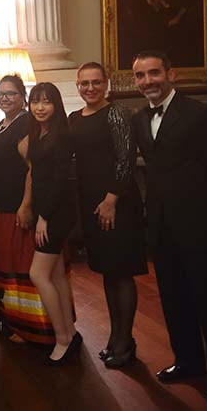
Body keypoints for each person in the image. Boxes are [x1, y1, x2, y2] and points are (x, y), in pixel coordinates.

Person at [131, 51, 207, 404]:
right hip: (162, 228)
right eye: (141, 76)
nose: (148, 81)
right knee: (174, 300)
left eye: (154, 73)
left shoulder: (201, 115)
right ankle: (189, 361)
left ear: (171, 73)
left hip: (201, 228)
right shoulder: (138, 119)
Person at [69, 63, 147, 368]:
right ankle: (116, 337)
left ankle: (126, 341)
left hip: (117, 203)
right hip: (91, 204)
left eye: (96, 82)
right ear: (77, 85)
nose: (90, 88)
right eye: (84, 83)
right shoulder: (75, 118)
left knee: (121, 271)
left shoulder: (117, 113)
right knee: (106, 269)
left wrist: (111, 199)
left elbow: (126, 159)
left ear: (106, 83)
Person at [0, 74, 56, 345]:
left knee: (24, 269)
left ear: (22, 97)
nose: (5, 98)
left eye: (11, 93)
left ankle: (36, 328)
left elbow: (32, 168)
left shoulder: (25, 123)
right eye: (1, 93)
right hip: (0, 208)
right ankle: (14, 323)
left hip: (18, 209)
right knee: (8, 269)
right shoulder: (2, 124)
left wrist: (26, 206)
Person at [24, 83, 79, 365]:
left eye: (46, 102)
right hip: (47, 209)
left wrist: (43, 216)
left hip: (56, 212)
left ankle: (62, 339)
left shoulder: (61, 135)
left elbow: (59, 180)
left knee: (38, 274)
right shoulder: (38, 132)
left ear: (56, 104)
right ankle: (69, 332)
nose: (40, 107)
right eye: (35, 102)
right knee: (56, 275)